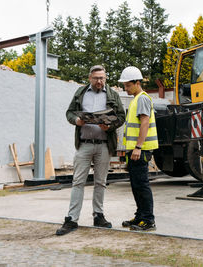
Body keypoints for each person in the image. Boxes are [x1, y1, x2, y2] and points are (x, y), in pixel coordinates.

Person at [56, 65, 126, 236]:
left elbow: (121, 117)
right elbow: (69, 113)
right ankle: (72, 219)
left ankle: (98, 216)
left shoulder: (113, 95)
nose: (100, 81)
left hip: (104, 145)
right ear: (90, 78)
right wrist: (76, 121)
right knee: (78, 181)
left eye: (102, 78)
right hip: (84, 144)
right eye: (96, 78)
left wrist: (109, 125)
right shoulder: (80, 93)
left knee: (100, 182)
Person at [119, 66, 159, 231]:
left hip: (140, 151)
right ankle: (140, 216)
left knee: (141, 185)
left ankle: (148, 220)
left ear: (137, 83)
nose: (125, 88)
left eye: (128, 85)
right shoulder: (136, 99)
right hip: (135, 151)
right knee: (136, 185)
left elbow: (145, 122)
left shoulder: (142, 99)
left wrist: (138, 147)